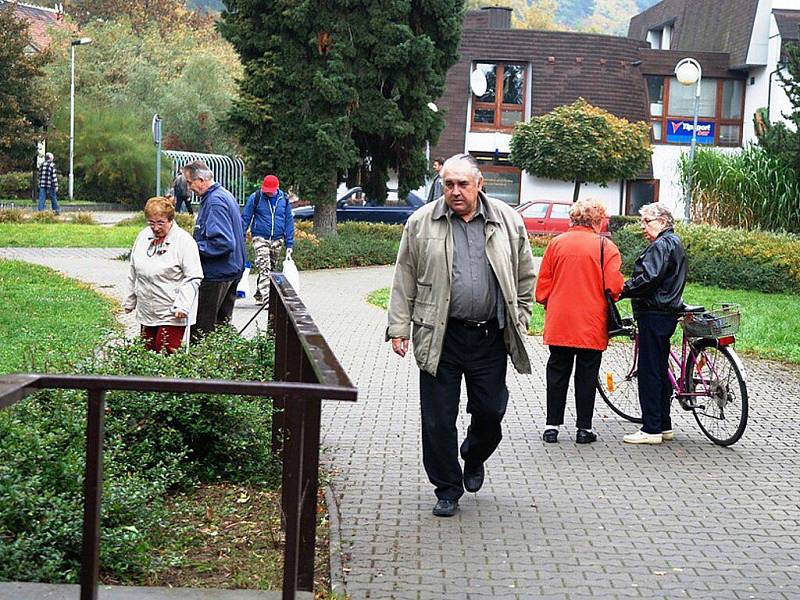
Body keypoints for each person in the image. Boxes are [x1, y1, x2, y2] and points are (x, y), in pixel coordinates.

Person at [387, 153, 535, 517]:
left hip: (490, 337)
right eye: (448, 184)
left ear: (479, 185)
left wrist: (522, 315)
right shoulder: (421, 223)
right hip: (441, 335)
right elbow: (404, 276)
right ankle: (447, 487)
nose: (454, 191)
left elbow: (525, 274)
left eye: (462, 184)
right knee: (438, 417)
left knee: (490, 411)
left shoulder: (508, 221)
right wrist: (398, 327)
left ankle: (474, 453)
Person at [535, 199, 624, 444]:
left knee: (557, 372)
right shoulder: (606, 247)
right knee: (586, 375)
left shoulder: (556, 244)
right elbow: (614, 287)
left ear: (574, 218)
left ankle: (551, 426)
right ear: (597, 220)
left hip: (561, 320)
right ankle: (583, 429)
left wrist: (551, 302)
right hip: (591, 323)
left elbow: (542, 288)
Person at [619, 202, 687, 444]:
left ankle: (650, 429)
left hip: (654, 312)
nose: (642, 227)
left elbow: (649, 279)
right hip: (666, 312)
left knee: (649, 371)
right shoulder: (675, 242)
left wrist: (622, 289)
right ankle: (664, 425)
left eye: (646, 221)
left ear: (663, 221)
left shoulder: (661, 245)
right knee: (660, 369)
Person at [123, 196, 203, 353]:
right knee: (147, 351)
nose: (155, 228)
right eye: (151, 223)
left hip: (173, 311)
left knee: (165, 350)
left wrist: (183, 305)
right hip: (147, 310)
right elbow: (133, 270)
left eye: (160, 223)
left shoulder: (184, 241)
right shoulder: (143, 237)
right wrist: (130, 299)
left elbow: (193, 276)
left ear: (170, 219)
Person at [182, 160, 246, 342]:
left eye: (189, 182)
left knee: (202, 332)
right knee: (221, 330)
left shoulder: (215, 202)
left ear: (201, 180)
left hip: (217, 275)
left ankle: (202, 369)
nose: (189, 187)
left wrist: (191, 247)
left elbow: (223, 243)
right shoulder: (223, 195)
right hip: (230, 271)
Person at [241, 174, 295, 305]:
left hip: (277, 238)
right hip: (260, 237)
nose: (268, 193)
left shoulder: (284, 200)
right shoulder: (256, 197)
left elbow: (288, 221)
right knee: (264, 265)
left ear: (277, 188)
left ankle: (260, 293)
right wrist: (240, 235)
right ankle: (268, 300)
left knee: (271, 268)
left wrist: (289, 243)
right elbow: (245, 217)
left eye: (271, 191)